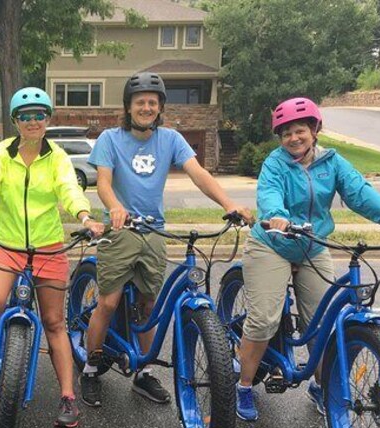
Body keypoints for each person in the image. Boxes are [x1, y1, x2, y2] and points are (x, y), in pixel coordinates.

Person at [234, 97, 380, 422]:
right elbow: (269, 195)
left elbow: (360, 194)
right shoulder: (275, 164)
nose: (294, 138)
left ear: (315, 130)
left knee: (321, 324)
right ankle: (244, 385)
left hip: (312, 245)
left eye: (300, 130)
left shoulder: (332, 163)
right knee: (263, 320)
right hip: (273, 243)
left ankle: (323, 388)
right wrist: (276, 217)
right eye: (286, 133)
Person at [80, 71, 253, 408]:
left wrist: (229, 203)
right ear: (128, 107)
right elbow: (103, 182)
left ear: (159, 108)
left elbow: (199, 173)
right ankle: (90, 366)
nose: (146, 107)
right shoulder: (110, 139)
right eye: (140, 102)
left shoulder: (171, 139)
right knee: (109, 303)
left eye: (152, 103)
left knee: (149, 305)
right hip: (122, 231)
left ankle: (143, 372)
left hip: (154, 231)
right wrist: (115, 208)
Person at [0, 87, 105, 428]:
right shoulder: (1, 153)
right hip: (7, 244)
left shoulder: (57, 157)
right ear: (15, 122)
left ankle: (67, 396)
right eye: (25, 116)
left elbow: (69, 189)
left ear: (48, 118)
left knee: (54, 322)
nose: (33, 121)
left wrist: (84, 217)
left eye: (39, 114)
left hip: (48, 246)